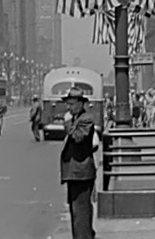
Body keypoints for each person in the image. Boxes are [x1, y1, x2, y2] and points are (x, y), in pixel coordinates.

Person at [60, 87, 98, 239]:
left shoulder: (85, 119)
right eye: (68, 104)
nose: (69, 107)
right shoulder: (78, 119)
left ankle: (84, 236)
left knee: (80, 211)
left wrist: (68, 123)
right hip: (75, 173)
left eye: (72, 104)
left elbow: (78, 138)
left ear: (81, 104)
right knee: (76, 210)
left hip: (81, 172)